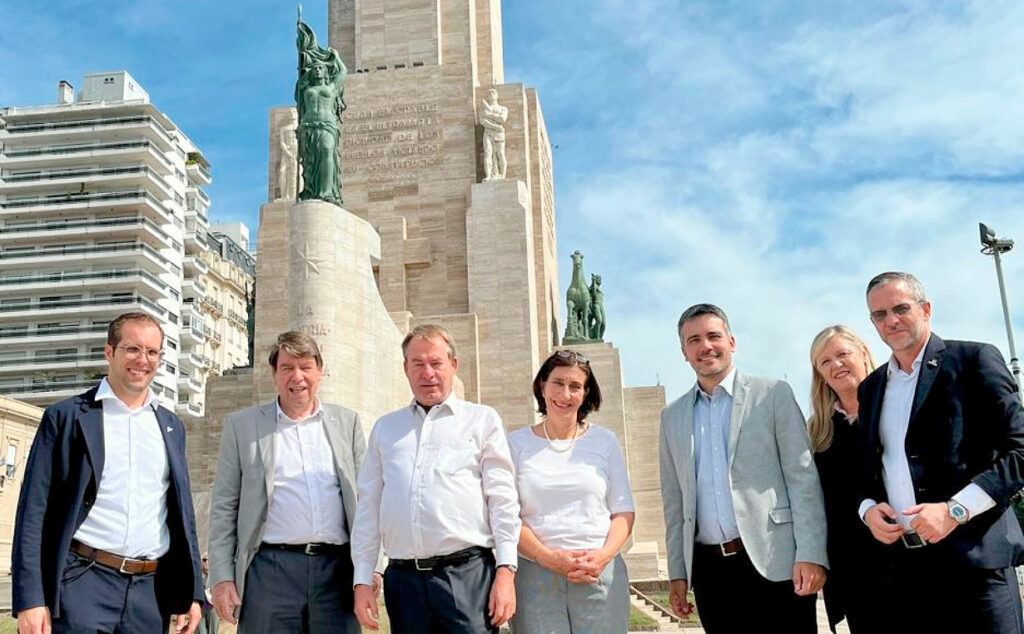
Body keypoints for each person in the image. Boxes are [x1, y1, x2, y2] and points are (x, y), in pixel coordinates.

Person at [12, 312, 204, 634]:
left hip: (149, 593)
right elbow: (33, 512)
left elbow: (183, 517)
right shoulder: (66, 418)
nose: (143, 360)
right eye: (132, 349)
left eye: (152, 352)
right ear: (110, 352)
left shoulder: (171, 427)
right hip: (82, 584)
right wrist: (30, 599)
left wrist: (193, 593)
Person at [857, 271, 1024, 632]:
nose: (891, 321)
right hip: (907, 572)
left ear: (926, 309)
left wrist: (955, 510)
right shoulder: (870, 389)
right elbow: (867, 471)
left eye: (900, 308)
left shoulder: (974, 360)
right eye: (880, 315)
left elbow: (1020, 450)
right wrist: (868, 509)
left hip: (977, 563)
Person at [659, 303, 827, 634]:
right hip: (711, 574)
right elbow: (674, 502)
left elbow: (802, 478)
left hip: (775, 561)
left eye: (713, 336)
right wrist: (678, 574)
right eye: (694, 340)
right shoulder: (671, 417)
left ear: (731, 342)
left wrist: (811, 553)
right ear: (684, 351)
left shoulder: (773, 394)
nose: (705, 346)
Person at [351, 324, 520, 633]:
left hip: (467, 578)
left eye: (436, 363)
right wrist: (363, 578)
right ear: (405, 369)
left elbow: (503, 500)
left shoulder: (482, 421)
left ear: (453, 365)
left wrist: (506, 571)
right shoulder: (385, 429)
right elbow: (368, 509)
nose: (427, 373)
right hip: (404, 584)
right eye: (418, 364)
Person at [207, 331, 372, 633]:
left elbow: (366, 504)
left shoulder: (347, 424)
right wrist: (221, 576)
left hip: (336, 574)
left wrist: (371, 569)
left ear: (320, 372)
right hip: (269, 572)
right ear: (274, 375)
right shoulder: (242, 427)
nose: (297, 377)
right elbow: (224, 508)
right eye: (287, 368)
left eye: (306, 367)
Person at [509, 350, 635, 633]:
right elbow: (508, 517)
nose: (565, 394)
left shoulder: (605, 441)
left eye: (575, 386)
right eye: (557, 383)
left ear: (586, 393)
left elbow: (624, 510)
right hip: (536, 576)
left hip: (598, 574)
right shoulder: (515, 444)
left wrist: (602, 556)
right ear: (542, 386)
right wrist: (548, 557)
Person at [807, 325, 878, 633]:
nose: (835, 365)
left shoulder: (895, 409)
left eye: (842, 354)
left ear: (863, 354)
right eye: (824, 361)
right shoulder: (818, 430)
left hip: (906, 561)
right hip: (853, 570)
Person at [479, 88, 508, 181]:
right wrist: (495, 126)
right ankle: (488, 175)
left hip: (499, 133)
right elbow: (483, 122)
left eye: (493, 92)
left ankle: (502, 175)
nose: (491, 94)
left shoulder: (503, 108)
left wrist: (490, 115)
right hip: (488, 132)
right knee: (488, 153)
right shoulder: (483, 110)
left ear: (497, 95)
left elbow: (502, 119)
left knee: (500, 153)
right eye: (489, 93)